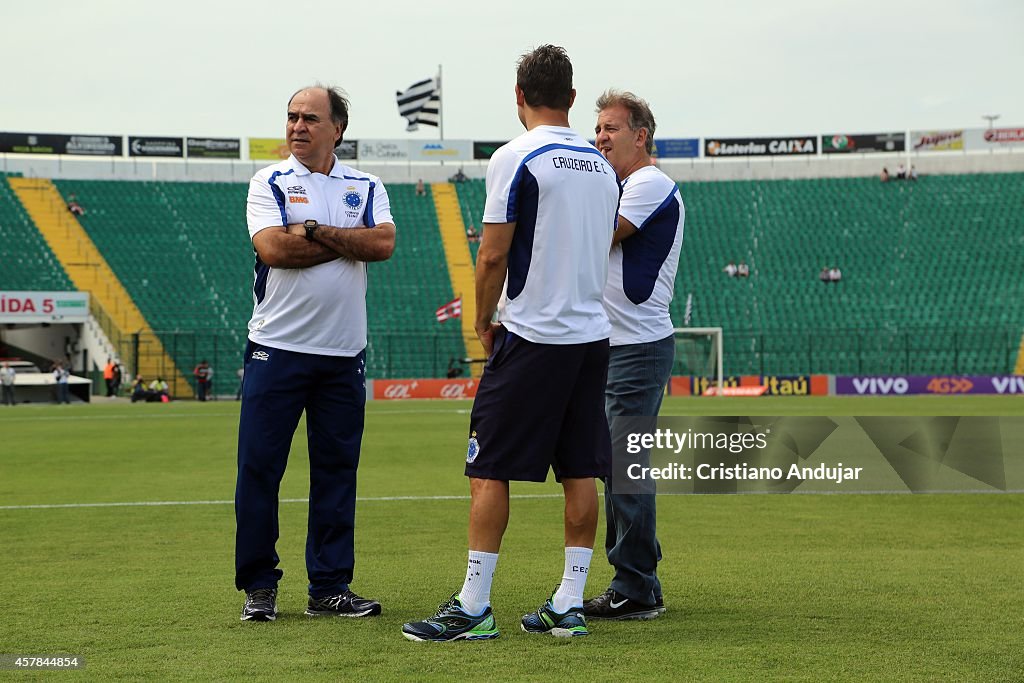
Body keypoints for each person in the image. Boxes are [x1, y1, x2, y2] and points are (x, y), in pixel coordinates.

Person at [403, 45, 620, 642]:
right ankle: (569, 602)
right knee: (580, 469)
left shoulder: (516, 156)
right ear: (573, 99)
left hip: (533, 334)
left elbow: (493, 251)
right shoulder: (603, 166)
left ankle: (474, 606)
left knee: (488, 467)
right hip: (590, 337)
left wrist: (481, 319)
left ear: (518, 96)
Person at [236, 84, 395, 623]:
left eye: (309, 118)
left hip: (342, 355)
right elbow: (274, 249)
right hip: (275, 351)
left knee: (335, 473)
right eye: (291, 117)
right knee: (260, 470)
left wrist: (313, 230)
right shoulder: (269, 180)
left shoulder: (367, 183)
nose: (297, 126)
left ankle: (329, 586)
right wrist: (343, 238)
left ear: (338, 128)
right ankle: (259, 586)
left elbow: (383, 245)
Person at [584, 90, 683, 621]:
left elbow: (602, 234)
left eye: (610, 129)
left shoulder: (648, 182)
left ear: (640, 136)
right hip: (617, 345)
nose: (600, 138)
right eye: (597, 129)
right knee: (616, 468)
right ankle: (634, 581)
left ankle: (637, 585)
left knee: (626, 468)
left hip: (636, 346)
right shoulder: (622, 185)